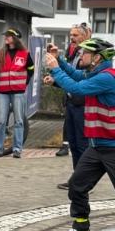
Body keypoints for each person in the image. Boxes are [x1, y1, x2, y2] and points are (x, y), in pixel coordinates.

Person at [45, 38, 115, 231]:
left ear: (97, 57)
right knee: (77, 186)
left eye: (84, 53)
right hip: (97, 147)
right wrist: (59, 61)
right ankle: (80, 224)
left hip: (112, 147)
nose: (80, 55)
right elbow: (76, 76)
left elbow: (76, 88)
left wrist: (55, 69)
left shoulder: (106, 77)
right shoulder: (95, 74)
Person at [0, 29, 34, 159]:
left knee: (19, 121)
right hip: (2, 91)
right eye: (5, 36)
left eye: (8, 36)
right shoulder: (0, 54)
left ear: (15, 38)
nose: (6, 38)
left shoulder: (25, 54)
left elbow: (31, 69)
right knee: (1, 121)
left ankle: (17, 149)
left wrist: (25, 82)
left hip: (18, 91)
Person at [56, 23, 92, 190]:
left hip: (82, 104)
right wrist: (57, 60)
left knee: (83, 145)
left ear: (85, 36)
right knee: (74, 145)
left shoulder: (90, 54)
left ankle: (85, 181)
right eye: (71, 35)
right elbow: (71, 74)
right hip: (71, 103)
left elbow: (79, 79)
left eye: (75, 36)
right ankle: (77, 179)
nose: (72, 38)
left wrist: (56, 69)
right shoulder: (75, 53)